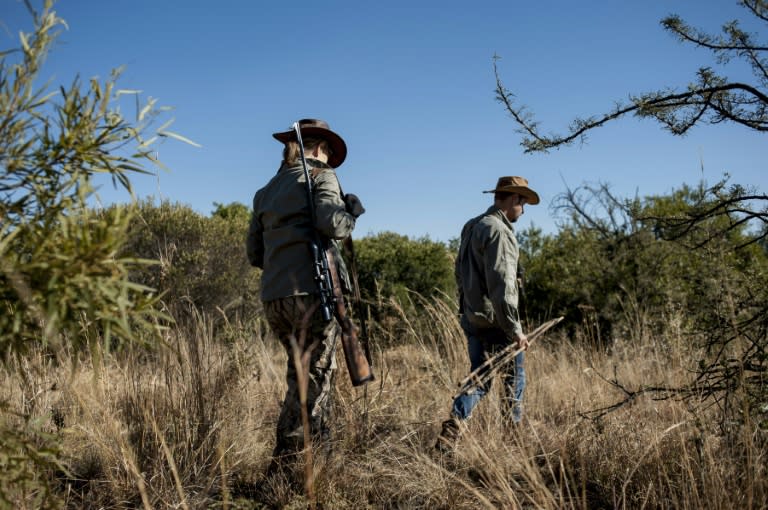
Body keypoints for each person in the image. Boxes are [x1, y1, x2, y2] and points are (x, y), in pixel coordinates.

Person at [246, 118, 365, 469]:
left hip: (274, 298)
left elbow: (255, 254)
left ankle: (285, 462)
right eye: (327, 150)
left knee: (299, 377)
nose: (329, 158)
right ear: (318, 148)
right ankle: (306, 467)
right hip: (311, 295)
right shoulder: (320, 177)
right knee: (317, 380)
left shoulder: (265, 192)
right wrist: (352, 212)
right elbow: (334, 224)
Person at [435, 176, 540, 452]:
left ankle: (454, 427)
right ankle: (513, 442)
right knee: (513, 381)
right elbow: (502, 283)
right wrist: (515, 330)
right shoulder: (499, 231)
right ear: (513, 199)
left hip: (472, 317)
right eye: (523, 203)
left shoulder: (472, 225)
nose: (524, 210)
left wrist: (468, 310)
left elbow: (460, 273)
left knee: (479, 379)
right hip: (497, 321)